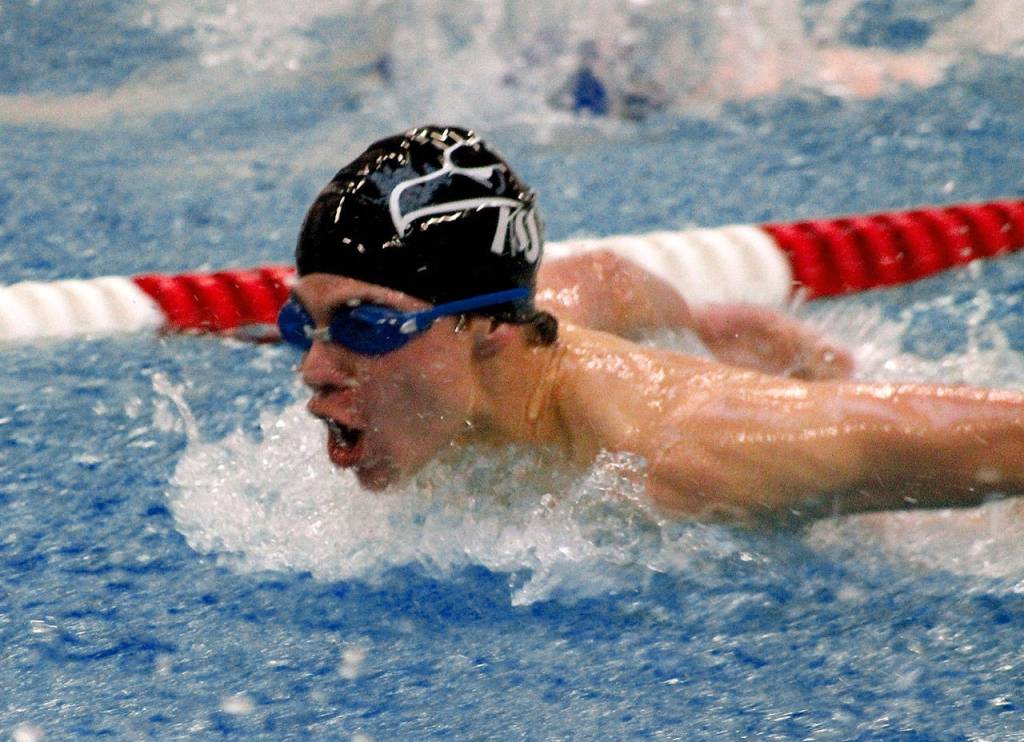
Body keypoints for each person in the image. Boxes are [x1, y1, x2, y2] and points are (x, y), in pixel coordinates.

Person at [281, 125, 1023, 523]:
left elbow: (935, 434)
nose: (314, 370)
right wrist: (702, 330)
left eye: (368, 325)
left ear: (489, 327)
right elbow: (602, 279)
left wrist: (706, 371)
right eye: (303, 323)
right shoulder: (514, 335)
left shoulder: (682, 457)